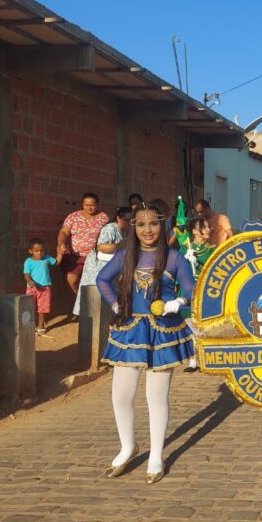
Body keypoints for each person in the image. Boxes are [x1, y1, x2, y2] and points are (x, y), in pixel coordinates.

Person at [96, 202, 196, 484]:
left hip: (163, 332)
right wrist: (117, 306)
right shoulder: (125, 255)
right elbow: (102, 280)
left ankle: (156, 455)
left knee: (156, 397)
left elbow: (191, 289)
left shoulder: (174, 258)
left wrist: (178, 302)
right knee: (121, 395)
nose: (148, 230)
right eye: (141, 224)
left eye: (153, 223)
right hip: (130, 331)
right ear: (133, 227)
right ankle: (128, 446)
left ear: (162, 225)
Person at [74, 206, 131, 317]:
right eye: (126, 220)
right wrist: (119, 245)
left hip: (110, 266)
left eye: (131, 220)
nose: (129, 223)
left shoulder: (124, 231)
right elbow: (100, 247)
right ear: (118, 218)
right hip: (97, 266)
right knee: (94, 290)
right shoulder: (110, 229)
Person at [57, 193, 110, 301]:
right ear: (82, 204)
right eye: (86, 205)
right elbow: (64, 232)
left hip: (95, 256)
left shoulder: (103, 217)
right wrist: (61, 243)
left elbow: (109, 235)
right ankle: (80, 304)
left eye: (92, 205)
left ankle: (91, 305)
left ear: (97, 205)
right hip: (75, 256)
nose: (89, 208)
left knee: (94, 283)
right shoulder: (73, 216)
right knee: (71, 280)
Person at [23, 238, 62, 335]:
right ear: (30, 251)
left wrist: (60, 254)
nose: (40, 253)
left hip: (45, 288)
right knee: (29, 307)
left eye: (42, 250)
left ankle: (40, 327)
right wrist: (30, 281)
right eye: (36, 251)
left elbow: (56, 262)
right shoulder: (28, 261)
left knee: (42, 309)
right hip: (32, 288)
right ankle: (28, 326)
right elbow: (26, 274)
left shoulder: (47, 258)